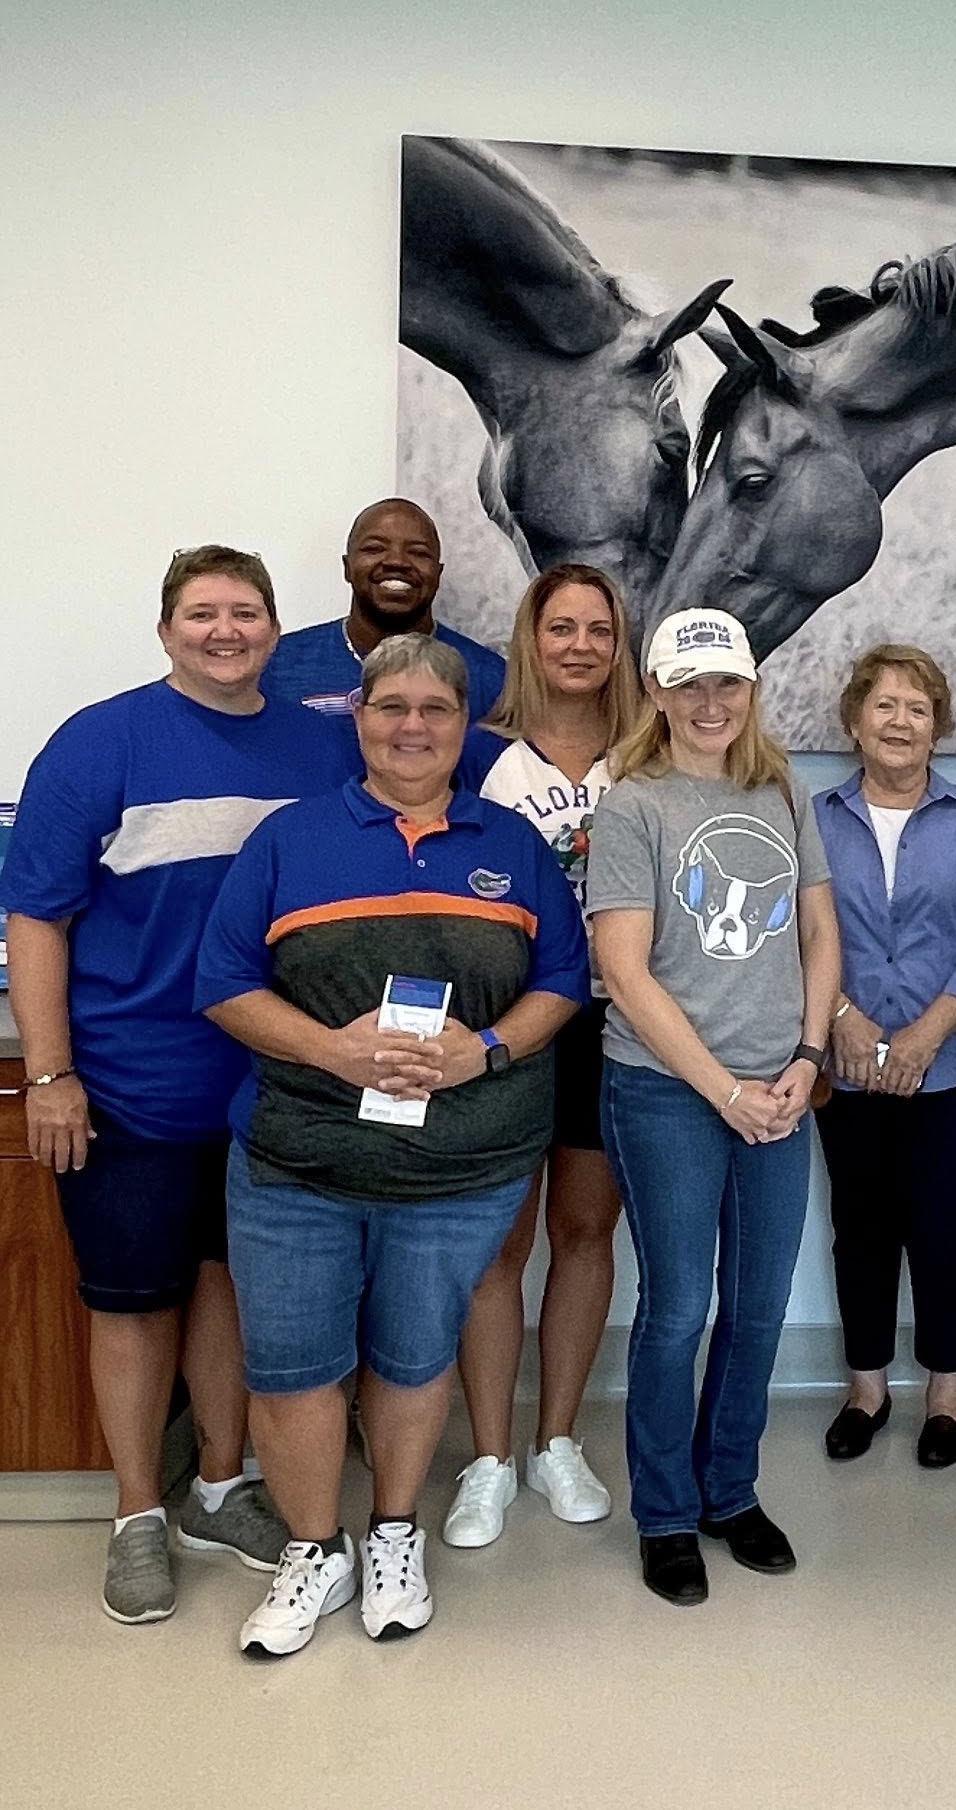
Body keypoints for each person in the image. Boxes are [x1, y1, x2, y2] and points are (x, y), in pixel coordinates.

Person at [194, 634, 586, 1659]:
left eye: (435, 710)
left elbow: (562, 983)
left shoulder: (514, 844)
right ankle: (315, 1549)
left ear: (467, 727)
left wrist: (484, 1050)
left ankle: (395, 1532)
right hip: (297, 1162)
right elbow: (225, 982)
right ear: (359, 718)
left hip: (461, 1168)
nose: (412, 726)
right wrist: (332, 1048)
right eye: (391, 706)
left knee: (415, 1356)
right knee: (291, 1370)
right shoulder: (290, 838)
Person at [0, 546, 353, 1625]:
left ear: (273, 629)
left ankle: (214, 1485)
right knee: (133, 1301)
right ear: (166, 630)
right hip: (129, 1090)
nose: (224, 629)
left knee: (231, 1292)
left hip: (277, 1094)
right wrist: (50, 1071)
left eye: (245, 611)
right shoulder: (97, 741)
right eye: (201, 612)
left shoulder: (324, 744)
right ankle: (136, 1512)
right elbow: (35, 917)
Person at [586, 607, 839, 1607]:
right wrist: (721, 1088)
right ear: (656, 692)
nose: (707, 702)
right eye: (686, 685)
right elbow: (623, 966)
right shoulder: (633, 803)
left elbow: (819, 934)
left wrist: (807, 1060)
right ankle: (664, 1509)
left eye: (724, 684)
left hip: (779, 1089)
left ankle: (730, 1490)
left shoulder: (782, 789)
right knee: (678, 1305)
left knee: (760, 1306)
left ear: (749, 691)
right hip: (667, 1094)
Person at [441, 564, 647, 1548]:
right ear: (530, 637)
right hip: (503, 1028)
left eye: (596, 629)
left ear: (618, 644)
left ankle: (555, 1439)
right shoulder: (478, 755)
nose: (577, 644)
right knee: (496, 1242)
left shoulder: (647, 753)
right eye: (558, 626)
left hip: (613, 1028)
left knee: (581, 1228)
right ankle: (486, 1454)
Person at [814, 646, 956, 1468]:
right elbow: (793, 933)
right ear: (854, 722)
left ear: (938, 726)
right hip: (844, 1060)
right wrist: (845, 1021)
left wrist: (924, 1036)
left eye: (918, 708)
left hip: (953, 1063)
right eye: (885, 707)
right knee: (858, 1225)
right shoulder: (815, 818)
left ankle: (948, 1388)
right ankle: (865, 1387)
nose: (901, 722)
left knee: (940, 1227)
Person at [262, 497, 506, 725]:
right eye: (375, 549)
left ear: (438, 574)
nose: (396, 562)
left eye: (418, 552)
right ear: (347, 568)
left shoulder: (491, 679)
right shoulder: (274, 664)